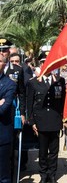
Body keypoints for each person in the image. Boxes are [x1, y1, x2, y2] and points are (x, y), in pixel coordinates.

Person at [27, 51, 66, 183]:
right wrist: (32, 122)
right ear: (41, 64)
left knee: (54, 151)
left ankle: (52, 174)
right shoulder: (33, 82)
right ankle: (43, 175)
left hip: (55, 121)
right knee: (42, 152)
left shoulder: (60, 81)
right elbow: (30, 104)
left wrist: (65, 119)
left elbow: (63, 103)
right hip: (41, 122)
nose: (46, 65)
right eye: (44, 62)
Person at [0, 54, 17, 182]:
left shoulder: (9, 84)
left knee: (4, 176)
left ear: (5, 64)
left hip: (2, 138)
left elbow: (3, 109)